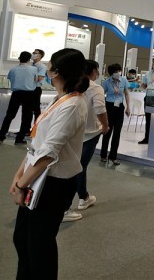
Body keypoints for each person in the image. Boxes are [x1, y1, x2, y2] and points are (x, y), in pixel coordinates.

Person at [10, 48, 89, 279]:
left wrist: (22, 185)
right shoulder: (60, 99)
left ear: (56, 72)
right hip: (37, 177)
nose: (46, 69)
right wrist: (19, 175)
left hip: (53, 183)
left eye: (50, 65)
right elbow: (38, 144)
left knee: (39, 246)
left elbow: (49, 153)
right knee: (22, 238)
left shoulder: (72, 105)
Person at [63, 60, 109, 222]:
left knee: (79, 167)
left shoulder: (70, 84)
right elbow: (100, 109)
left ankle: (84, 197)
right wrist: (105, 125)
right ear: (94, 71)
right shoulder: (95, 88)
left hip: (72, 132)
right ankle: (65, 207)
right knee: (77, 168)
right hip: (89, 133)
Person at [0, 51, 37, 145]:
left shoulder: (13, 69)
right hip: (29, 94)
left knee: (9, 115)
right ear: (29, 59)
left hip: (16, 93)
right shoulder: (33, 69)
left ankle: (0, 137)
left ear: (19, 58)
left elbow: (10, 78)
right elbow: (36, 80)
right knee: (26, 117)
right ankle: (19, 139)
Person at [101, 63, 130, 165]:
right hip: (109, 106)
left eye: (119, 71)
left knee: (117, 133)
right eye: (115, 71)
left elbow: (127, 94)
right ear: (111, 73)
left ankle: (113, 156)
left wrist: (128, 107)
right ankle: (103, 155)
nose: (118, 73)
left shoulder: (124, 80)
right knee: (107, 131)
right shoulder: (106, 82)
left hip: (120, 107)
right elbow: (102, 95)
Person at [31, 49, 46, 122]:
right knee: (29, 109)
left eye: (35, 53)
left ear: (40, 56)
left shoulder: (42, 66)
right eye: (33, 53)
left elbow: (40, 78)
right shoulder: (32, 65)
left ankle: (36, 127)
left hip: (36, 89)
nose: (33, 54)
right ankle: (27, 127)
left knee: (36, 109)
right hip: (30, 89)